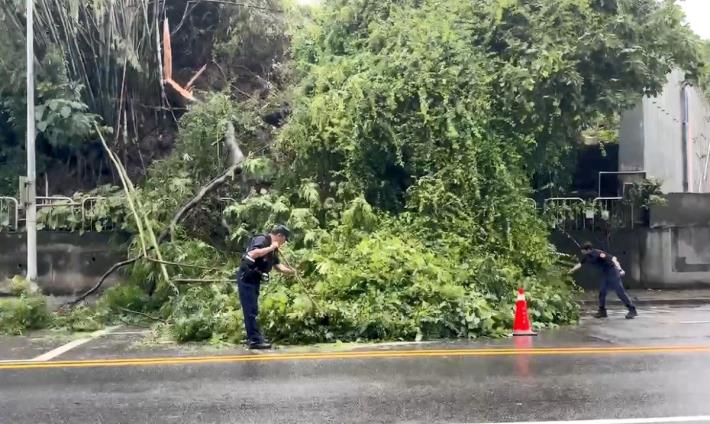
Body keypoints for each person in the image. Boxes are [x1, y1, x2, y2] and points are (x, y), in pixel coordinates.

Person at [237, 225, 295, 349]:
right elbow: (253, 254)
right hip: (246, 277)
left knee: (253, 309)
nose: (283, 243)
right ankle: (254, 340)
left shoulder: (273, 250)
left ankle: (254, 336)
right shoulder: (262, 240)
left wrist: (292, 271)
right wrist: (271, 247)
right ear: (279, 236)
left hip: (255, 280)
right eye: (284, 240)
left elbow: (278, 266)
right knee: (250, 310)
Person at [569, 242, 638, 320]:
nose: (581, 252)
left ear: (588, 250)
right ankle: (602, 311)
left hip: (613, 272)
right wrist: (571, 270)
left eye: (583, 250)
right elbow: (580, 264)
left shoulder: (599, 253)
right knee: (602, 292)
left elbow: (613, 259)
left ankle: (632, 310)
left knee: (620, 292)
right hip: (605, 274)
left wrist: (620, 269)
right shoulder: (587, 256)